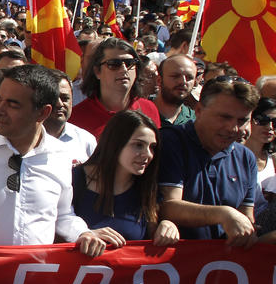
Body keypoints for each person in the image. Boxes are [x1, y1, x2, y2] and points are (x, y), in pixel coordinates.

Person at [0, 64, 110, 259]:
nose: (0, 110)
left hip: (34, 280)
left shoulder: (60, 155)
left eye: (13, 104)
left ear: (42, 113)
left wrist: (82, 233)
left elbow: (63, 215)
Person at [158, 77, 259, 243]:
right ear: (198, 110)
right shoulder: (171, 142)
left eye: (242, 120)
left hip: (220, 265)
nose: (233, 128)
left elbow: (247, 218)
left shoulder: (246, 158)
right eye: (225, 117)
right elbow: (168, 207)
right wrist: (224, 214)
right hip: (173, 262)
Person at [72, 110, 180, 244]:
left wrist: (167, 226)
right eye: (138, 145)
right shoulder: (74, 180)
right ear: (116, 143)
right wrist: (83, 234)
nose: (148, 154)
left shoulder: (147, 191)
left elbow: (152, 238)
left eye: (152, 147)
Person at [69, 38, 161, 137]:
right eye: (113, 64)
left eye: (129, 63)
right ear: (97, 71)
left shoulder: (149, 108)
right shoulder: (76, 118)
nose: (124, 69)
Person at [44, 70, 97, 165]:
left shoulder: (86, 141)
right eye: (52, 98)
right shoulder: (23, 139)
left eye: (65, 98)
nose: (59, 104)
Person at [242, 96, 276, 216]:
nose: (270, 127)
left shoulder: (274, 160)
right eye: (263, 120)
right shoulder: (234, 155)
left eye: (275, 123)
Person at [153, 54, 197, 126]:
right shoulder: (141, 112)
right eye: (175, 76)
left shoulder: (195, 121)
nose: (183, 81)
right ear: (159, 80)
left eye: (189, 77)